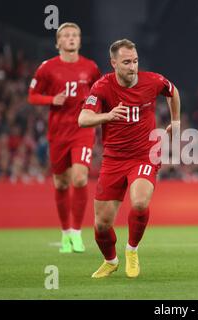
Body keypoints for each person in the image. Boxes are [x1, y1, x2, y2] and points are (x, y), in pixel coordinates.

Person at [78, 39, 180, 279]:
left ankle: (132, 250)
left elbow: (172, 91)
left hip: (145, 154)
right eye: (126, 62)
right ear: (113, 63)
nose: (132, 67)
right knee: (101, 225)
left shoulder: (152, 81)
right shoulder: (102, 87)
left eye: (135, 61)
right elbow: (83, 119)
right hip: (113, 159)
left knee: (140, 203)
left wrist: (175, 121)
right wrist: (108, 115)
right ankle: (110, 260)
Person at [28, 22, 101, 253]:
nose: (71, 38)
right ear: (58, 42)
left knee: (79, 179)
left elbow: (100, 92)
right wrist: (51, 100)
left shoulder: (90, 68)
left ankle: (77, 234)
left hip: (82, 129)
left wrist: (97, 111)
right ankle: (65, 233)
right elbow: (32, 96)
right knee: (60, 183)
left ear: (79, 40)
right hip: (58, 133)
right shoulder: (47, 68)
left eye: (75, 35)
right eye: (66, 35)